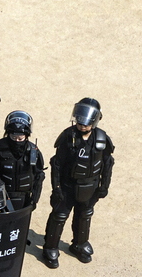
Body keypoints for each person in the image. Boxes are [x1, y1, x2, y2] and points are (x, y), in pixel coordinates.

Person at [42, 98, 113, 268]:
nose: (82, 125)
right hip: (68, 186)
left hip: (90, 187)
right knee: (59, 216)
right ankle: (50, 247)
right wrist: (56, 188)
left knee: (84, 216)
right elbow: (57, 164)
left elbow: (107, 164)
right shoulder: (68, 136)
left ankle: (79, 244)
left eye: (86, 122)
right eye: (79, 121)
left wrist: (104, 186)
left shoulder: (102, 139)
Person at [0, 110, 45, 212]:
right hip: (2, 197)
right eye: (13, 137)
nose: (16, 141)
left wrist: (34, 199)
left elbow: (39, 176)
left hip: (24, 198)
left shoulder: (33, 151)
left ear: (26, 136)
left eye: (20, 138)